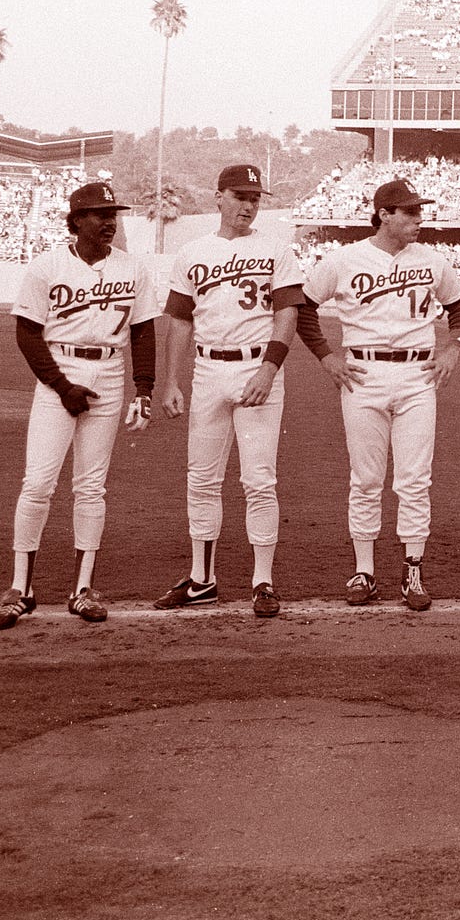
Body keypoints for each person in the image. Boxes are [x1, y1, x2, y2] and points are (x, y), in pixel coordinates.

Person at [0, 182, 158, 631]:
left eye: (114, 214)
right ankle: (20, 588)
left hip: (109, 372)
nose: (109, 221)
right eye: (100, 214)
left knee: (91, 486)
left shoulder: (132, 267)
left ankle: (83, 589)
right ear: (76, 219)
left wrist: (144, 389)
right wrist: (62, 386)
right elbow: (27, 333)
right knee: (39, 482)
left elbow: (142, 332)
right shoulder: (47, 265)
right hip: (58, 369)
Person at [304, 178, 460, 611]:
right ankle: (364, 571)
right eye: (410, 212)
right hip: (363, 375)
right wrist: (326, 357)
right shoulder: (344, 259)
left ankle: (412, 569)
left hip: (418, 376)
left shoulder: (433, 260)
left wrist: (454, 348)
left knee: (415, 481)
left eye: (420, 211)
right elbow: (303, 306)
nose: (419, 219)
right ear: (384, 214)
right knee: (365, 480)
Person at [154, 164, 306, 617]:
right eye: (240, 196)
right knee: (201, 479)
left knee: (259, 480)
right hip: (208, 370)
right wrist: (171, 380)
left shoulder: (276, 248)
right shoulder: (193, 252)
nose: (248, 205)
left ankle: (263, 580)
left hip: (257, 367)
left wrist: (269, 369)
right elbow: (179, 320)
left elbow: (288, 314)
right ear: (218, 196)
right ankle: (203, 579)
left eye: (255, 198)